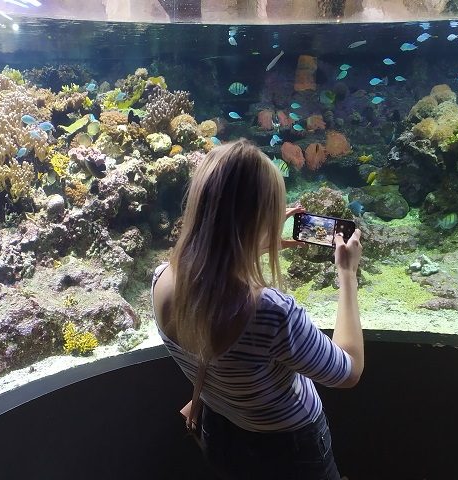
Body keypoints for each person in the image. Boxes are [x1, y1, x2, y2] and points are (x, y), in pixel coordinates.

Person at [151, 139, 363, 479]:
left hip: (223, 433)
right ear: (260, 218)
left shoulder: (162, 279)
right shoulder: (270, 312)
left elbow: (214, 292)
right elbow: (347, 372)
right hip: (289, 450)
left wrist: (254, 244)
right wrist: (347, 274)